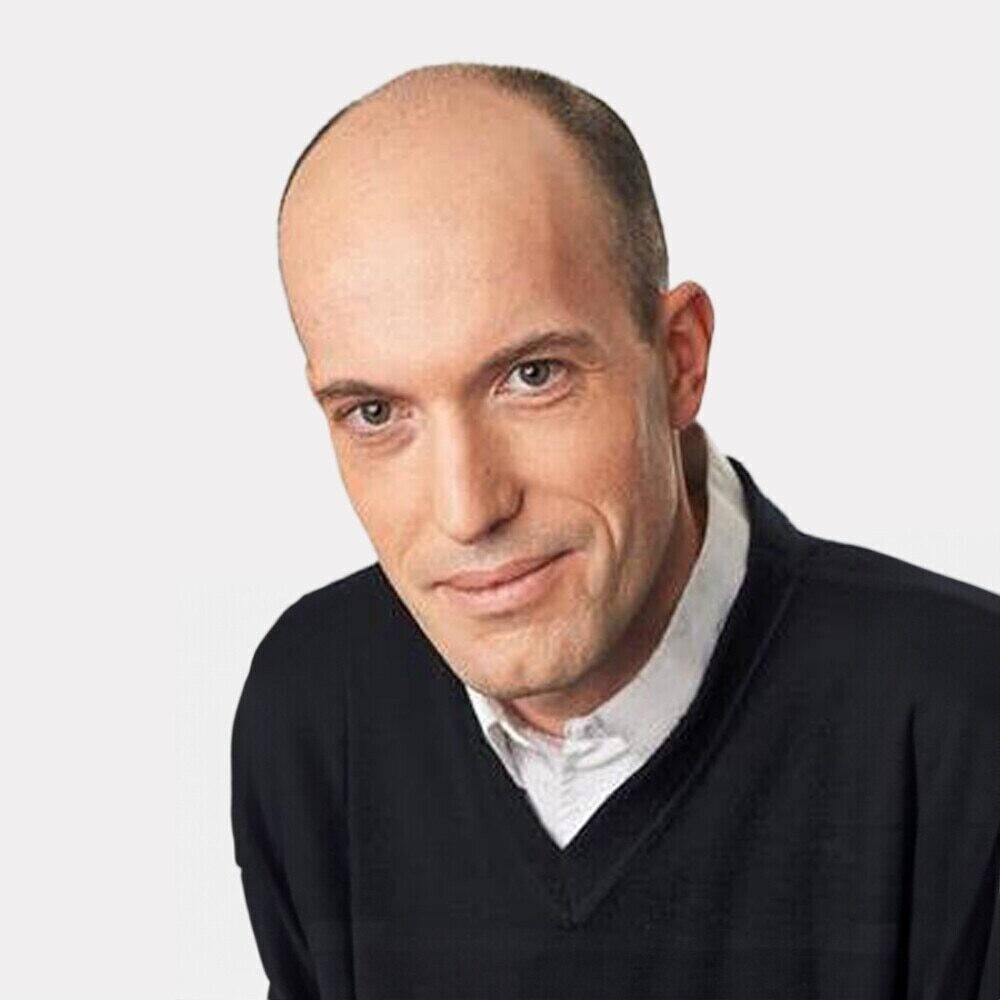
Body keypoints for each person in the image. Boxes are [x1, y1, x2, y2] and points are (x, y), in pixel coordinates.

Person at [231, 62, 999, 999]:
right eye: (376, 413)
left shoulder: (966, 724)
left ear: (679, 361)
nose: (468, 509)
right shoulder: (314, 706)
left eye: (532, 376)